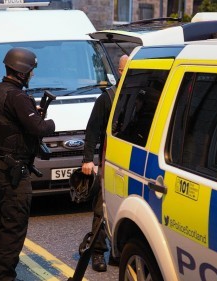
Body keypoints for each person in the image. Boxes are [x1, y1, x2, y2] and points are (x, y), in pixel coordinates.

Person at [0, 47, 55, 281]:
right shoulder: (17, 97)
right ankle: (4, 277)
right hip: (12, 172)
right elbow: (39, 129)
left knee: (0, 224)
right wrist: (48, 121)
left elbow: (6, 121)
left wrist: (31, 111)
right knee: (14, 227)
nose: (31, 75)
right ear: (22, 72)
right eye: (30, 71)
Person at [81, 54, 128, 272]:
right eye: (125, 68)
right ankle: (98, 252)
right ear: (119, 71)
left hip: (132, 165)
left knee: (126, 213)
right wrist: (88, 160)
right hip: (108, 164)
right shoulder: (107, 98)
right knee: (102, 209)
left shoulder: (141, 95)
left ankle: (118, 254)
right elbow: (92, 131)